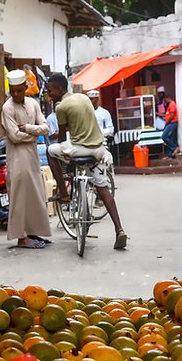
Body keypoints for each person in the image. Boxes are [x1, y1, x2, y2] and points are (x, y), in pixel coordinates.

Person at [46, 73, 128, 250]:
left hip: (80, 149)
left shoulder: (60, 107)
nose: (49, 93)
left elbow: (61, 137)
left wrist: (64, 158)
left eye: (51, 90)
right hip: (98, 150)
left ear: (60, 89)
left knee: (51, 152)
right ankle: (119, 230)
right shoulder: (83, 98)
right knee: (103, 188)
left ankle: (64, 193)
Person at [1, 69, 52, 249]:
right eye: (12, 90)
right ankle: (21, 237)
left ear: (25, 87)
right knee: (19, 196)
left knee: (35, 193)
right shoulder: (7, 108)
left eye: (19, 90)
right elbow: (14, 136)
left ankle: (33, 232)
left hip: (32, 156)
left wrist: (29, 129)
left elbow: (45, 128)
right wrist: (34, 134)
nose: (15, 94)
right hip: (17, 158)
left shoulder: (33, 103)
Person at [160, 93, 181, 158]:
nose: (165, 101)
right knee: (170, 138)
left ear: (167, 98)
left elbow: (171, 116)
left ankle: (175, 148)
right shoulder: (170, 105)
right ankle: (169, 155)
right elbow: (167, 115)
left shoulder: (172, 104)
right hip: (170, 123)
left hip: (172, 123)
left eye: (165, 99)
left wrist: (167, 123)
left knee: (164, 136)